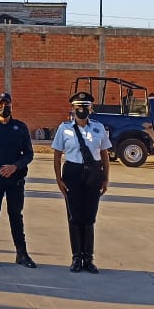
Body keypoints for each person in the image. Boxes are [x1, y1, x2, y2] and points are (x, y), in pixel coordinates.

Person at [52, 91, 112, 274]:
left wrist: (106, 178)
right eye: (78, 107)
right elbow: (57, 155)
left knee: (89, 217)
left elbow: (104, 154)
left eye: (85, 107)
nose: (82, 110)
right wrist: (59, 179)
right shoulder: (64, 129)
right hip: (72, 173)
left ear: (91, 109)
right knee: (75, 216)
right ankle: (76, 257)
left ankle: (89, 258)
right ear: (72, 108)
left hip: (93, 174)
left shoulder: (99, 128)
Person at [0, 92, 36, 268]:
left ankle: (21, 253)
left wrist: (15, 166)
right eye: (0, 104)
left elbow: (29, 154)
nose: (3, 107)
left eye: (6, 104)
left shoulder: (20, 127)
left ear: (11, 106)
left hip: (15, 178)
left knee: (16, 215)